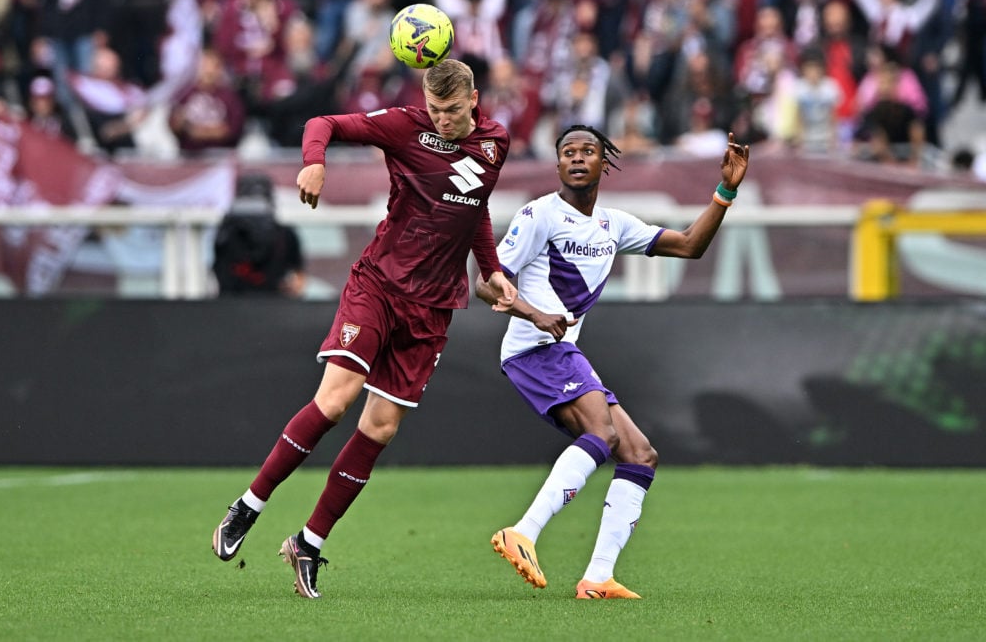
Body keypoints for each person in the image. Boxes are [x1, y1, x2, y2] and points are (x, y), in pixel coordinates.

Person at [211, 58, 517, 598]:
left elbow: (475, 207)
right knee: (335, 400)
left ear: (473, 100)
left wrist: (490, 269)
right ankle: (248, 506)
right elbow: (321, 123)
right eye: (434, 108)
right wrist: (314, 162)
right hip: (378, 285)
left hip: (432, 307)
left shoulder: (496, 142)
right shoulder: (404, 124)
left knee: (379, 428)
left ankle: (308, 542)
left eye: (450, 110)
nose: (440, 120)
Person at [475, 124, 749, 599]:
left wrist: (725, 191)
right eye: (567, 151)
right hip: (533, 349)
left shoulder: (614, 225)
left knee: (639, 454)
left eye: (588, 151)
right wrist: (534, 314)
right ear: (557, 164)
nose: (577, 158)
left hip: (563, 351)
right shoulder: (539, 215)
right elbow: (486, 282)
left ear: (605, 163)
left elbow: (689, 245)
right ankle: (523, 531)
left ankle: (598, 577)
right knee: (600, 432)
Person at [212, 173, 306, 297]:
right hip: (275, 308)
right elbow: (298, 282)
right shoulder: (285, 234)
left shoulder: (225, 233)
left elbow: (218, 272)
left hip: (234, 308)